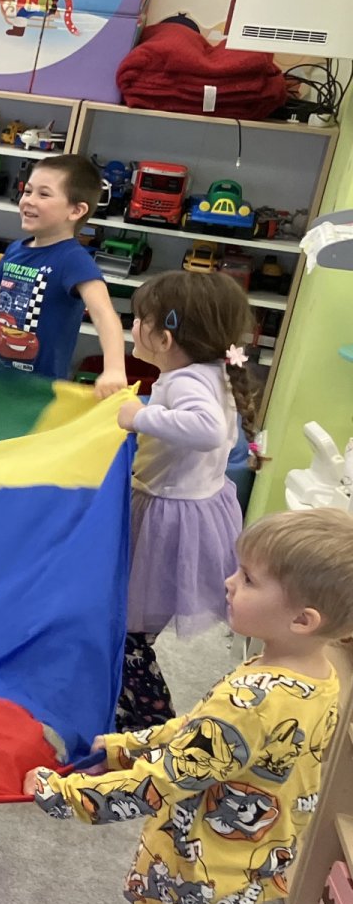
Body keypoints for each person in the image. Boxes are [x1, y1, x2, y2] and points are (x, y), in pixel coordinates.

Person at [25, 508, 353, 904]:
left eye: (249, 579)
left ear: (303, 619)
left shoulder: (256, 699)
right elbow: (200, 738)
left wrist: (66, 795)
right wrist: (128, 744)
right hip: (241, 869)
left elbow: (162, 783)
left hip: (198, 874)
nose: (229, 582)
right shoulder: (311, 676)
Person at [114, 272, 260, 730]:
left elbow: (208, 429)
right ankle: (130, 713)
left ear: (166, 337)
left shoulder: (185, 381)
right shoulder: (215, 371)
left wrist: (140, 416)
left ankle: (150, 723)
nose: (133, 326)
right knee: (133, 628)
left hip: (167, 518)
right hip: (192, 509)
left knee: (127, 632)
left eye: (140, 319)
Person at [0, 153, 128, 396]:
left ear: (76, 210)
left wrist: (114, 368)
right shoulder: (15, 251)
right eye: (28, 191)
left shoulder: (73, 260)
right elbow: (1, 306)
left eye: (44, 194)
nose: (28, 200)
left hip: (40, 393)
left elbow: (104, 314)